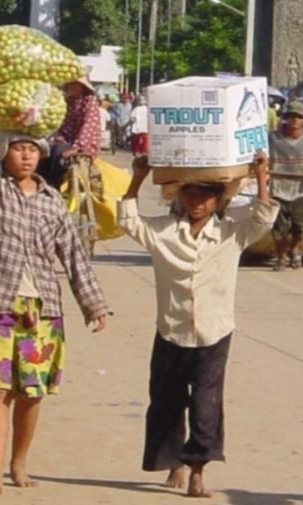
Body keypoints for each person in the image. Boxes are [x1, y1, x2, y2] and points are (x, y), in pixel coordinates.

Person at [0, 56, 108, 495]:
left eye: (32, 149)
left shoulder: (52, 203)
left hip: (43, 311)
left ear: (41, 156)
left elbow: (74, 258)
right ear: (5, 153)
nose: (26, 155)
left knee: (32, 393)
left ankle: (18, 463)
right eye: (18, 148)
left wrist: (94, 305)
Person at [119, 154, 276, 498]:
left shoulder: (231, 232)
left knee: (206, 405)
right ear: (179, 196)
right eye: (190, 194)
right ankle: (173, 461)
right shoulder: (163, 232)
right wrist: (138, 176)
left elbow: (263, 217)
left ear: (218, 198)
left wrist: (261, 176)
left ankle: (197, 471)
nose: (197, 202)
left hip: (214, 332)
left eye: (205, 195)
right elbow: (128, 220)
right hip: (171, 330)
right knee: (165, 401)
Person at [37, 76, 101, 189]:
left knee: (58, 153)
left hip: (85, 142)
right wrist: (57, 139)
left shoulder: (89, 100)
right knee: (44, 151)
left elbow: (88, 126)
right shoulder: (69, 101)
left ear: (83, 86)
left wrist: (77, 146)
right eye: (70, 84)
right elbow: (64, 127)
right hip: (67, 140)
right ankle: (42, 184)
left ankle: (56, 185)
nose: (72, 87)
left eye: (76, 84)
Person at [269, 101, 303, 270]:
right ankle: (281, 256)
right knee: (279, 229)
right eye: (291, 117)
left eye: (298, 117)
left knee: (299, 227)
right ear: (285, 119)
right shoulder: (273, 138)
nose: (295, 121)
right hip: (277, 188)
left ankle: (295, 248)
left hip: (300, 190)